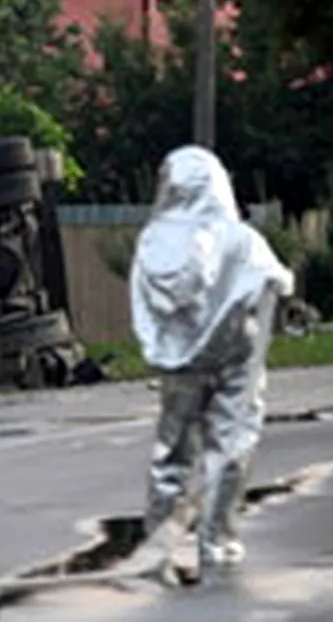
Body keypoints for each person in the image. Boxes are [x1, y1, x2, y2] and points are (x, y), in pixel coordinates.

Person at [130, 145, 294, 583]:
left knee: (173, 451)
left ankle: (158, 544)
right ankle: (215, 540)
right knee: (232, 446)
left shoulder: (152, 240)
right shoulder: (239, 238)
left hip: (179, 362)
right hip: (236, 356)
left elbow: (146, 295)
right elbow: (278, 279)